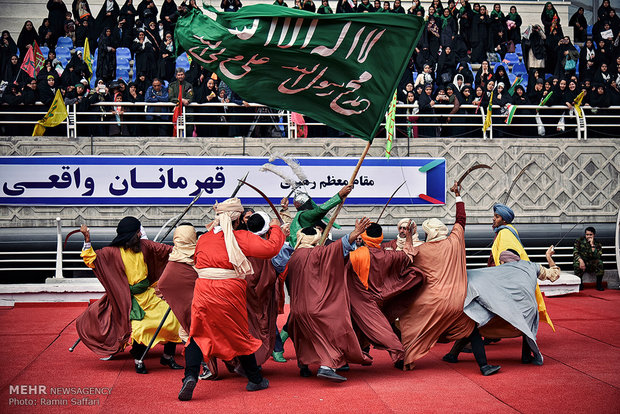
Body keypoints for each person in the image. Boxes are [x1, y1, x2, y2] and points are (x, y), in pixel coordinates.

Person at [179, 198, 285, 401]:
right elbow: (271, 248)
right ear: (237, 221)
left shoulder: (204, 238)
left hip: (202, 290)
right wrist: (275, 226)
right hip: (228, 290)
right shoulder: (240, 237)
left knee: (197, 335)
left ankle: (190, 376)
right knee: (239, 335)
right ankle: (255, 379)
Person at [398, 182, 500, 376]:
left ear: (428, 233)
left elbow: (405, 257)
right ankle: (484, 366)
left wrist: (410, 236)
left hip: (432, 303)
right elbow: (461, 219)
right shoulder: (455, 241)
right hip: (457, 302)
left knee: (410, 327)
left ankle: (405, 361)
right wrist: (458, 195)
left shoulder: (422, 250)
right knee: (472, 330)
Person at [76, 217, 183, 374]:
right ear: (131, 235)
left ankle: (167, 356)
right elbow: (91, 259)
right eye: (138, 232)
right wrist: (87, 239)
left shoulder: (144, 246)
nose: (141, 234)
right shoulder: (111, 252)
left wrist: (185, 247)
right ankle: (138, 360)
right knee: (139, 328)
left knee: (173, 318)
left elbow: (166, 250)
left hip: (149, 295)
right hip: (128, 299)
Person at [287, 217, 373, 382]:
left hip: (297, 309)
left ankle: (304, 366)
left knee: (304, 336)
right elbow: (337, 248)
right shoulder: (318, 252)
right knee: (334, 329)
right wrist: (355, 233)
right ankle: (328, 365)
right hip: (317, 307)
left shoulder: (293, 256)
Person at [443, 246, 560, 366]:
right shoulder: (532, 266)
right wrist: (548, 256)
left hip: (502, 310)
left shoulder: (497, 271)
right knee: (527, 323)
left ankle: (453, 354)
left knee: (473, 320)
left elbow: (476, 279)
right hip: (526, 310)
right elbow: (554, 275)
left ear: (503, 261)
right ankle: (526, 356)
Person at [346, 222, 423, 369]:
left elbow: (335, 259)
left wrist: (356, 232)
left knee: (380, 330)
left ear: (364, 236)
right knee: (371, 328)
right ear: (380, 237)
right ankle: (358, 355)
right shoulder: (390, 255)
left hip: (362, 301)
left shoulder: (355, 256)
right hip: (382, 299)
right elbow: (409, 255)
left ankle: (400, 356)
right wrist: (409, 237)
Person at [488, 203, 554, 330]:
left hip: (503, 279)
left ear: (504, 220)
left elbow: (506, 258)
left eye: (496, 216)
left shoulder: (506, 234)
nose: (493, 219)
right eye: (494, 216)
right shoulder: (503, 232)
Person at [286, 184, 352, 247]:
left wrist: (285, 209)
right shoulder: (304, 216)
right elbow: (320, 211)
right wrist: (339, 195)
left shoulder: (298, 219)